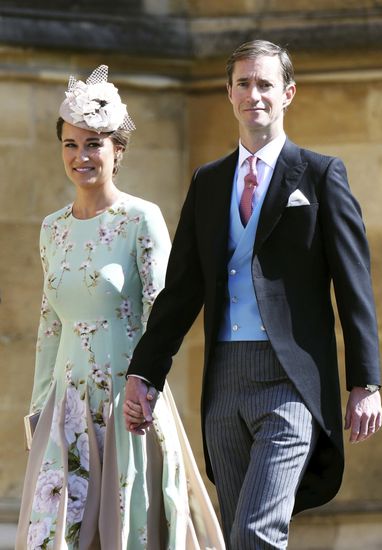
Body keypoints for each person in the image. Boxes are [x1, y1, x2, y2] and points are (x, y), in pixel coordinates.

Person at [123, 40, 382, 549]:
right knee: (235, 536)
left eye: (265, 84)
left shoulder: (321, 174)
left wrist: (365, 381)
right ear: (228, 93)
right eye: (243, 83)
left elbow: (355, 286)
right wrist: (144, 373)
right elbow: (180, 292)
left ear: (287, 93)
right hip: (223, 384)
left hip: (292, 383)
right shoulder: (209, 182)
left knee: (257, 533)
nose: (253, 95)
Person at [16, 65, 225, 550]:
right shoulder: (52, 228)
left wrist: (146, 390)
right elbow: (49, 324)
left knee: (128, 534)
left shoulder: (140, 218)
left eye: (94, 144)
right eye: (70, 144)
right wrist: (37, 411)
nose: (81, 156)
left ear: (118, 150)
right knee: (58, 536)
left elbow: (163, 315)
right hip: (65, 411)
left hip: (128, 404)